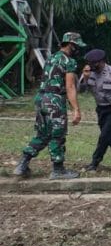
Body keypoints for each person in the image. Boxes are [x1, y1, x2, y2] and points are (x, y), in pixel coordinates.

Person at [13, 32, 86, 180]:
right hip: (55, 101)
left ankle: (22, 164)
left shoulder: (51, 57)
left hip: (41, 98)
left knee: (42, 134)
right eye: (77, 46)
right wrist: (76, 110)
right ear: (71, 45)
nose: (78, 49)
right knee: (57, 135)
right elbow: (70, 86)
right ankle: (58, 170)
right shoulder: (69, 61)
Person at [79, 49, 111, 175]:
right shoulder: (88, 72)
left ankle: (94, 162)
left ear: (101, 62)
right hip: (101, 109)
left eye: (94, 63)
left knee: (104, 136)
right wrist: (84, 79)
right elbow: (80, 90)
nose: (91, 66)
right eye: (90, 63)